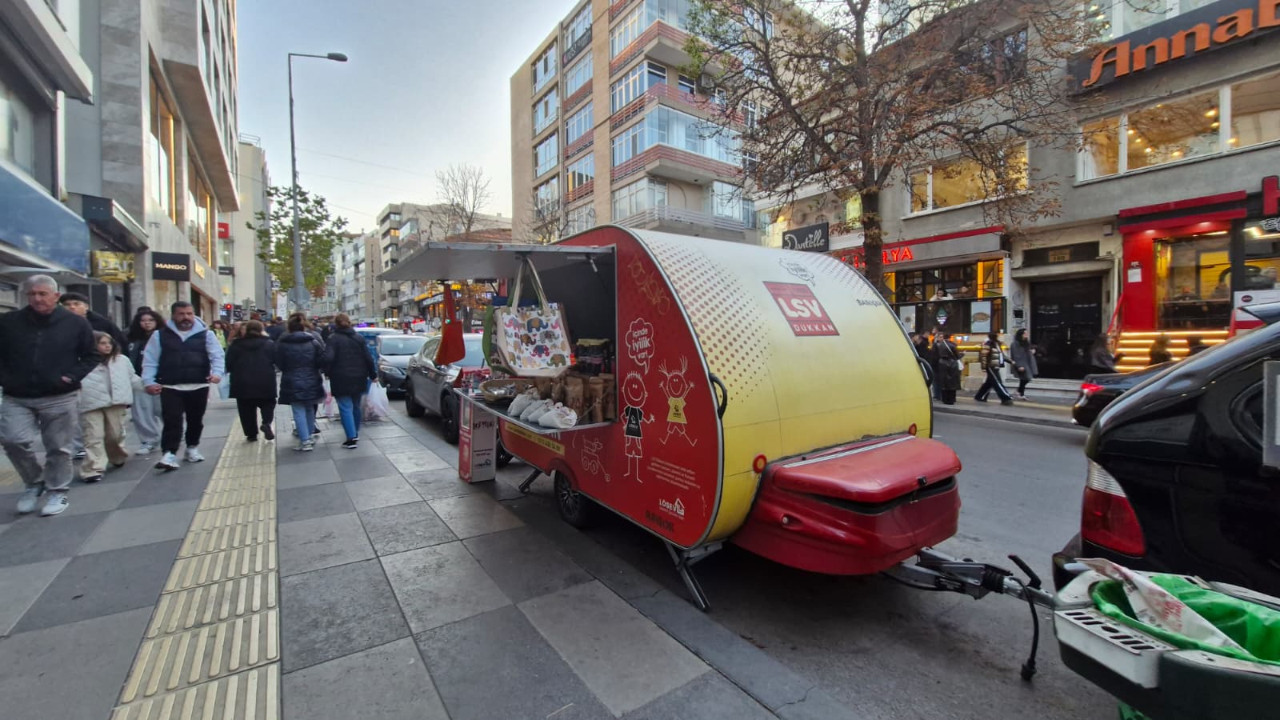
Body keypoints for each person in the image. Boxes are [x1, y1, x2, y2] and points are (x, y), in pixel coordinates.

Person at [0, 275, 98, 516]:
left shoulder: (75, 323)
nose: (37, 298)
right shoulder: (9, 321)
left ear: (56, 296)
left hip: (59, 395)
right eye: (32, 294)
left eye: (42, 294)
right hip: (17, 394)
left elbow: (91, 355)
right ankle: (34, 482)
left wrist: (70, 377)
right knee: (13, 440)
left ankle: (57, 490)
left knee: (58, 447)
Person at [142, 301, 225, 471]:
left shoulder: (206, 335)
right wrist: (149, 381)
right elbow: (150, 360)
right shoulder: (159, 335)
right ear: (173, 315)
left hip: (199, 384)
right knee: (172, 420)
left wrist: (217, 373)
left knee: (195, 420)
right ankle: (169, 453)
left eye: (189, 313)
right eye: (181, 314)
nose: (186, 317)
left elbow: (217, 355)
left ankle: (192, 447)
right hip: (170, 385)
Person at [78, 331, 139, 483]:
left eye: (109, 343)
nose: (107, 346)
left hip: (116, 402)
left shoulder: (121, 360)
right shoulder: (81, 361)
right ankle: (93, 469)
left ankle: (117, 455)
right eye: (102, 343)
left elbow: (132, 378)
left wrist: (149, 386)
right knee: (93, 435)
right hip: (90, 403)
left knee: (114, 434)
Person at [323, 313, 378, 449]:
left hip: (340, 376)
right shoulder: (358, 338)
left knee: (345, 406)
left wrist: (327, 371)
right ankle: (355, 432)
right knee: (355, 404)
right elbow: (368, 358)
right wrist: (373, 374)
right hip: (359, 376)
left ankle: (351, 437)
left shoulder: (333, 339)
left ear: (336, 324)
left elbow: (328, 358)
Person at [275, 313, 327, 451]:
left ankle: (304, 441)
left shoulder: (283, 344)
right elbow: (321, 360)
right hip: (312, 378)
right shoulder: (313, 342)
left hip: (292, 379)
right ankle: (308, 436)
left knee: (298, 410)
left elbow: (279, 363)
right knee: (309, 408)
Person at [225, 320, 278, 442]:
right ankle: (266, 422)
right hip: (265, 379)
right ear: (261, 330)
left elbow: (228, 363)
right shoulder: (269, 344)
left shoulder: (236, 345)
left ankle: (251, 434)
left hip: (242, 381)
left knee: (245, 408)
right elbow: (276, 361)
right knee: (268, 403)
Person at [126, 309, 165, 454]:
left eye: (150, 320)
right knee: (142, 412)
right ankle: (148, 440)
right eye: (143, 321)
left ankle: (173, 434)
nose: (147, 323)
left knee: (163, 410)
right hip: (138, 380)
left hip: (161, 380)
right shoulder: (132, 339)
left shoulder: (164, 337)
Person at [59, 291, 128, 349]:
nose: (72, 307)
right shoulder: (58, 323)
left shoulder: (103, 324)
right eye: (67, 304)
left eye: (76, 304)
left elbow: (120, 343)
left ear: (86, 307)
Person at [974, 332, 1014, 406]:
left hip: (995, 366)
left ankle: (980, 396)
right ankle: (1006, 398)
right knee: (997, 382)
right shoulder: (988, 344)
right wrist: (984, 367)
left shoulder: (997, 344)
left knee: (990, 383)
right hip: (991, 366)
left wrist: (1011, 361)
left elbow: (1001, 356)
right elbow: (984, 356)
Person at [933, 333, 962, 405]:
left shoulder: (939, 345)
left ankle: (944, 399)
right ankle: (951, 399)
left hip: (942, 364)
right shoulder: (953, 345)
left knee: (944, 383)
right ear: (950, 337)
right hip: (952, 364)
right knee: (952, 383)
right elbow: (957, 356)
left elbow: (935, 354)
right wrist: (963, 354)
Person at [1009, 328, 1038, 401]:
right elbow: (1016, 355)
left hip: (1028, 363)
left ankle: (1020, 392)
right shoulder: (1015, 344)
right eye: (1025, 333)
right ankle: (1019, 392)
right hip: (1021, 363)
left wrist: (1032, 351)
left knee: (1025, 379)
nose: (1027, 335)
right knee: (1026, 378)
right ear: (1021, 335)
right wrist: (1019, 366)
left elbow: (1027, 351)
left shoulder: (1026, 342)